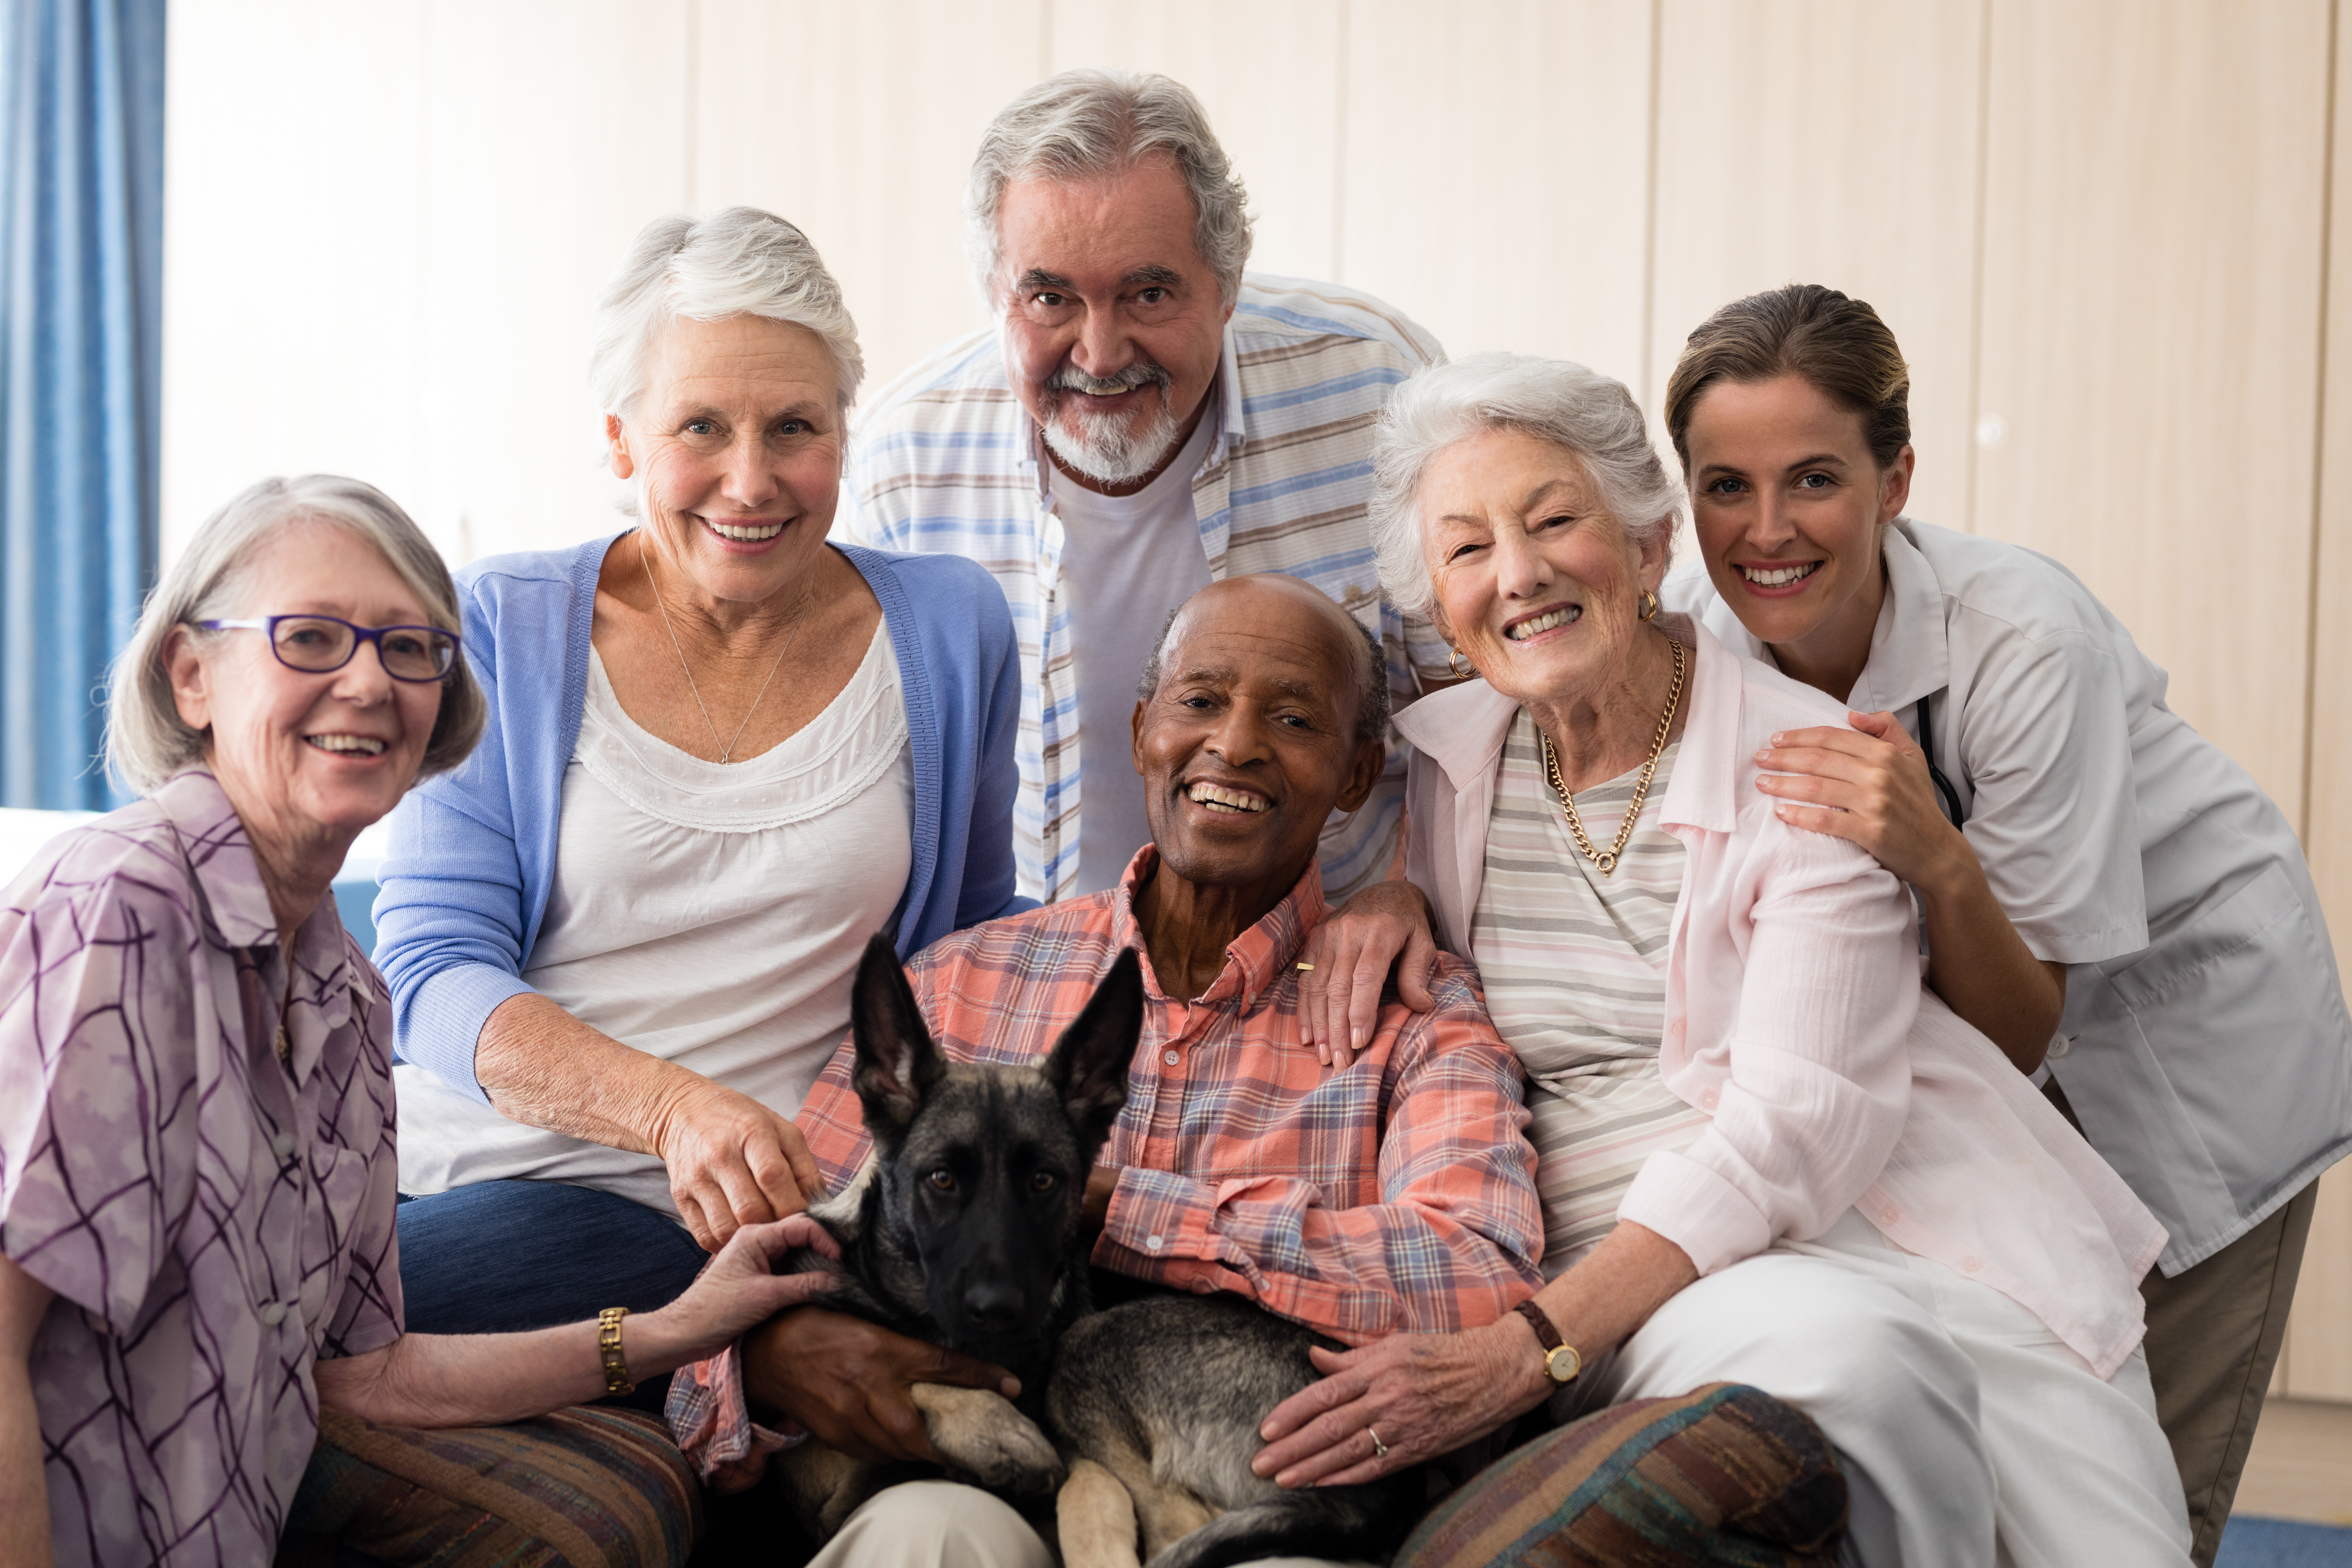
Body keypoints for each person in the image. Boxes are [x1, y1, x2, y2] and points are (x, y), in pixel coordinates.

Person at [1250, 355, 2193, 1567]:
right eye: (1468, 548)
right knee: (1854, 1356)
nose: (1521, 573)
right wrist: (1393, 896)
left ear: (1647, 548)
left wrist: (1525, 1348)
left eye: (1554, 522)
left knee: (2071, 1515)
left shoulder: (1806, 764)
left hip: (1878, 1217)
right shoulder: (1444, 765)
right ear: (1439, 607)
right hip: (1628, 1263)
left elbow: (1794, 1130)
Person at [0, 475, 839, 1568]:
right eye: (309, 638)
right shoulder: (120, 908)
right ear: (193, 674)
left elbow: (370, 1376)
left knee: (624, 1503)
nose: (368, 681)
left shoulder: (350, 998)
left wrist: (682, 1328)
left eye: (411, 650)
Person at [1651, 283, 2352, 1564]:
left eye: (1813, 479)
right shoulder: (1698, 640)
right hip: (1956, 1072)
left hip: (2176, 1043)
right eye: (1723, 487)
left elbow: (2032, 1026)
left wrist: (1940, 862)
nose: (1765, 532)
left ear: (1897, 478)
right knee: (1989, 1459)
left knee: (2138, 1476)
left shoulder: (2023, 638)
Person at [667, 574, 1546, 1567]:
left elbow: (1483, 1285)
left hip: (1267, 1485)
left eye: (1294, 718)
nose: (1238, 744)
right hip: (964, 1483)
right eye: (1201, 701)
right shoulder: (959, 983)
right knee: (927, 1537)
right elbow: (756, 1276)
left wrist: (1116, 1207)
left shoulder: (1416, 1012)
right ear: (1142, 734)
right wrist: (769, 1361)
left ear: (1356, 774)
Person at [372, 208, 1027, 1390]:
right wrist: (674, 1112)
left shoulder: (950, 629)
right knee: (284, 1309)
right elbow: (431, 970)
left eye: (795, 427)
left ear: (844, 434)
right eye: (701, 428)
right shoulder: (500, 624)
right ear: (623, 441)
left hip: (793, 1215)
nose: (752, 478)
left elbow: (973, 960)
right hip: (512, 1178)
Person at [841, 69, 1451, 922]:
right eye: (1051, 297)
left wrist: (1407, 894)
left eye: (1149, 293)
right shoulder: (903, 453)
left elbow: (1474, 710)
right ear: (997, 295)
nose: (1098, 352)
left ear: (1228, 285)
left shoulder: (1382, 385)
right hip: (1036, 974)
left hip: (1327, 963)